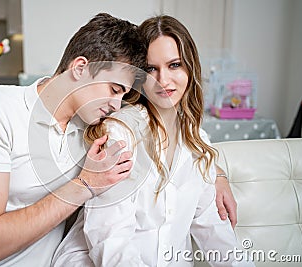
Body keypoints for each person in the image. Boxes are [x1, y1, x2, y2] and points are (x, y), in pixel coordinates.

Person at [0, 13, 147, 266]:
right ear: (80, 68)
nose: (117, 105)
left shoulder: (90, 132)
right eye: (114, 89)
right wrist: (84, 185)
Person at [52, 15, 252, 266]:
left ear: (190, 67)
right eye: (151, 69)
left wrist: (218, 175)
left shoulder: (197, 140)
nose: (164, 80)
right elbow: (110, 239)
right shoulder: (120, 133)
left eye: (175, 65)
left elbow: (213, 230)